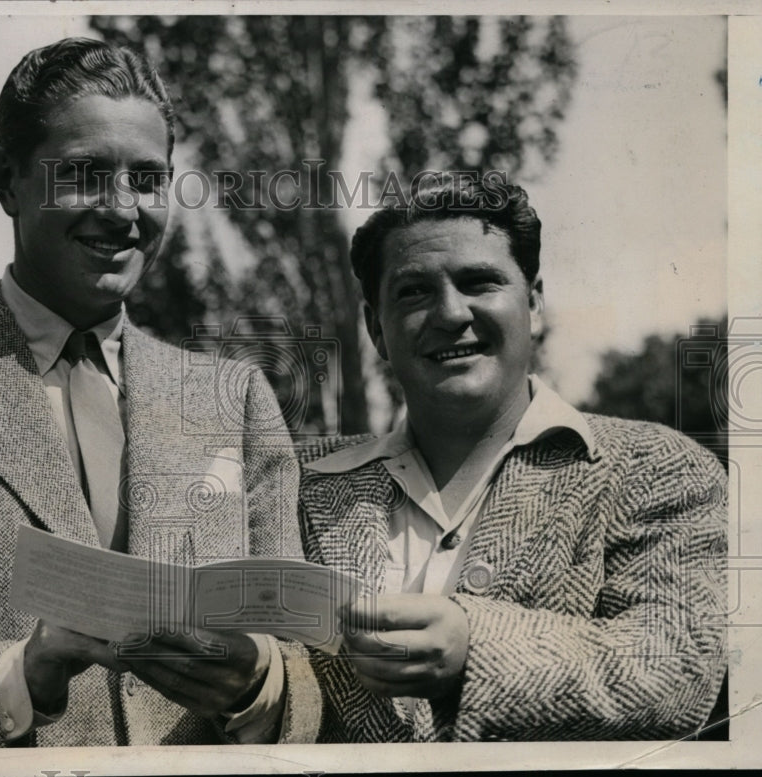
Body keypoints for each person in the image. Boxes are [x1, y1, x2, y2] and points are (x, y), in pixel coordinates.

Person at [0, 38, 320, 751]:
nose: (123, 209)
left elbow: (304, 671)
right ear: (5, 178)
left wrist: (261, 687)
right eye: (85, 173)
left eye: (148, 179)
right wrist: (16, 675)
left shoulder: (236, 398)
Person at [295, 175, 728, 741]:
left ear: (535, 302)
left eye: (479, 282)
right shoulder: (297, 484)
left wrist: (476, 648)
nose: (451, 313)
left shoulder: (658, 468)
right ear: (377, 329)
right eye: (413, 292)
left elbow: (677, 670)